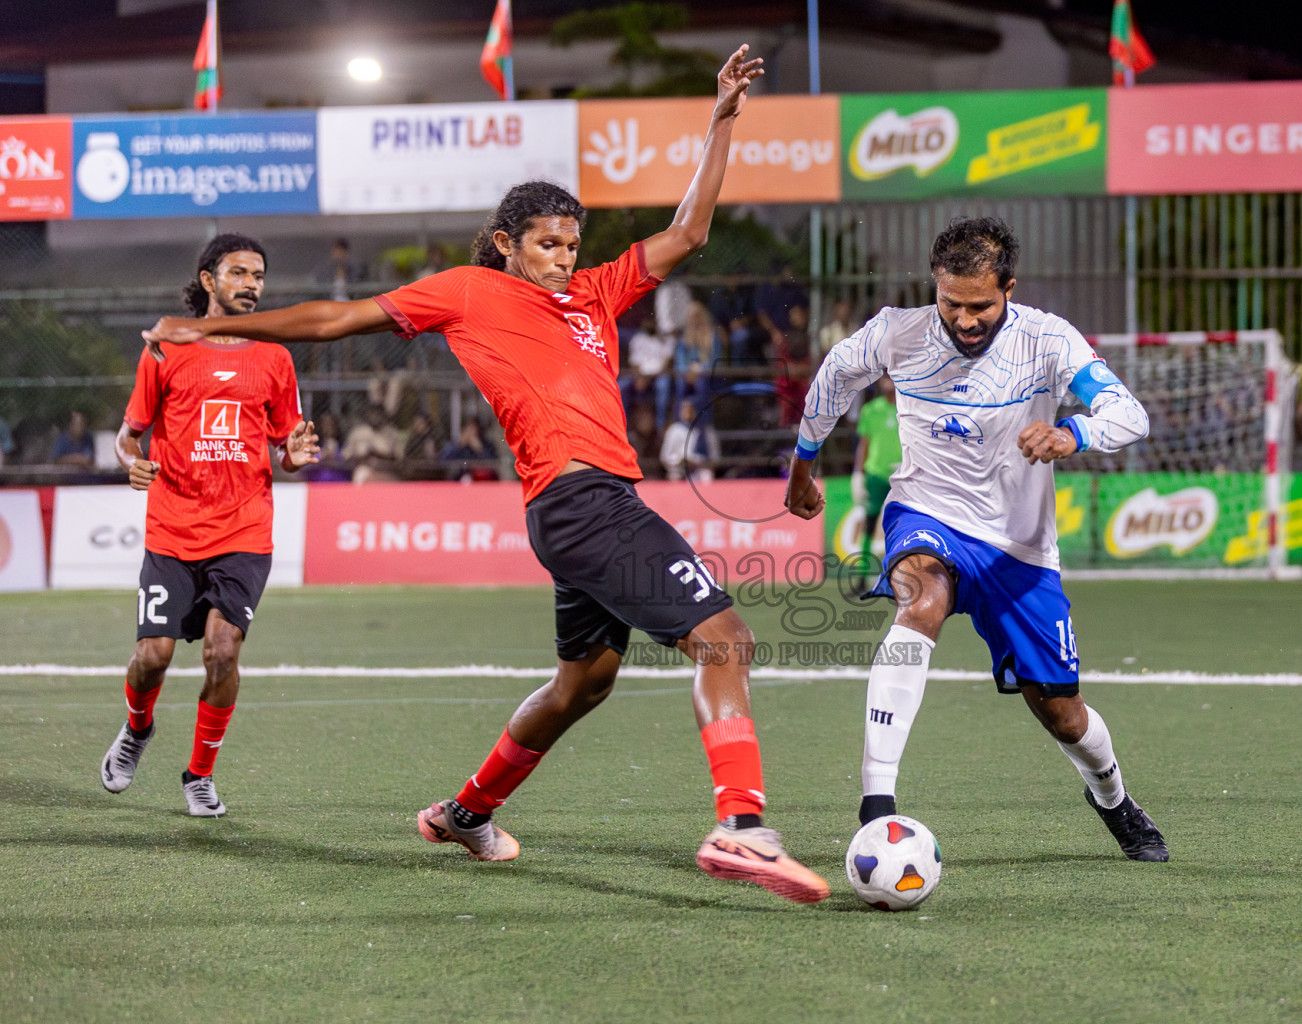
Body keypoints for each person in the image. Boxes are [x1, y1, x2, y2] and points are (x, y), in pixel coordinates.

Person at [143, 46, 828, 904]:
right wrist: (216, 332)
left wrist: (721, 118)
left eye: (572, 244)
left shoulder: (596, 294)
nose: (563, 258)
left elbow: (689, 231)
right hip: (582, 503)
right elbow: (338, 318)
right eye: (546, 244)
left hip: (591, 506)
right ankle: (741, 827)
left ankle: (465, 812)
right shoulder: (469, 290)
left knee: (584, 684)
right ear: (507, 243)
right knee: (726, 639)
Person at [785, 217, 1169, 862]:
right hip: (925, 511)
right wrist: (803, 461)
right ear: (934, 287)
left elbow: (1130, 414)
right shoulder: (896, 333)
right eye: (951, 304)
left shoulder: (1048, 339)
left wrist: (1072, 434)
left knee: (1063, 715)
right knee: (922, 596)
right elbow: (834, 378)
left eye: (981, 306)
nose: (964, 320)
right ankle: (877, 803)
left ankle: (1113, 799)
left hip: (1019, 549)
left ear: (1009, 290)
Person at [100, 233, 319, 817]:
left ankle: (199, 774)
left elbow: (287, 447)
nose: (251, 284)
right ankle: (136, 730)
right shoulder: (167, 348)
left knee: (223, 653)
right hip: (173, 528)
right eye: (239, 272)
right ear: (208, 281)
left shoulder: (275, 355)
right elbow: (127, 436)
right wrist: (132, 463)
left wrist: (295, 457)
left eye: (259, 275)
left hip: (243, 531)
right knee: (153, 656)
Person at [852, 375, 902, 576]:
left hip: (902, 475)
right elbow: (864, 444)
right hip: (876, 474)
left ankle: (897, 573)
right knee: (870, 521)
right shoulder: (871, 410)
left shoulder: (909, 409)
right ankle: (862, 574)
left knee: (901, 526)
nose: (888, 383)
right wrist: (858, 473)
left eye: (892, 378)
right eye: (885, 378)